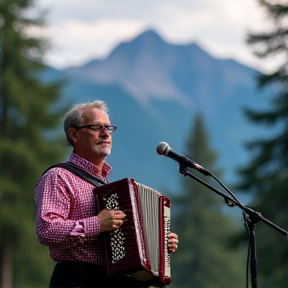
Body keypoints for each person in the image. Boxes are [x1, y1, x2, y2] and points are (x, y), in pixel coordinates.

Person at [34, 100, 179, 288]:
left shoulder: (110, 189)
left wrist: (160, 243)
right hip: (77, 279)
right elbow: (46, 230)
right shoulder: (58, 176)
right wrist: (96, 224)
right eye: (96, 127)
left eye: (108, 128)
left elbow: (125, 244)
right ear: (74, 134)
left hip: (114, 280)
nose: (105, 133)